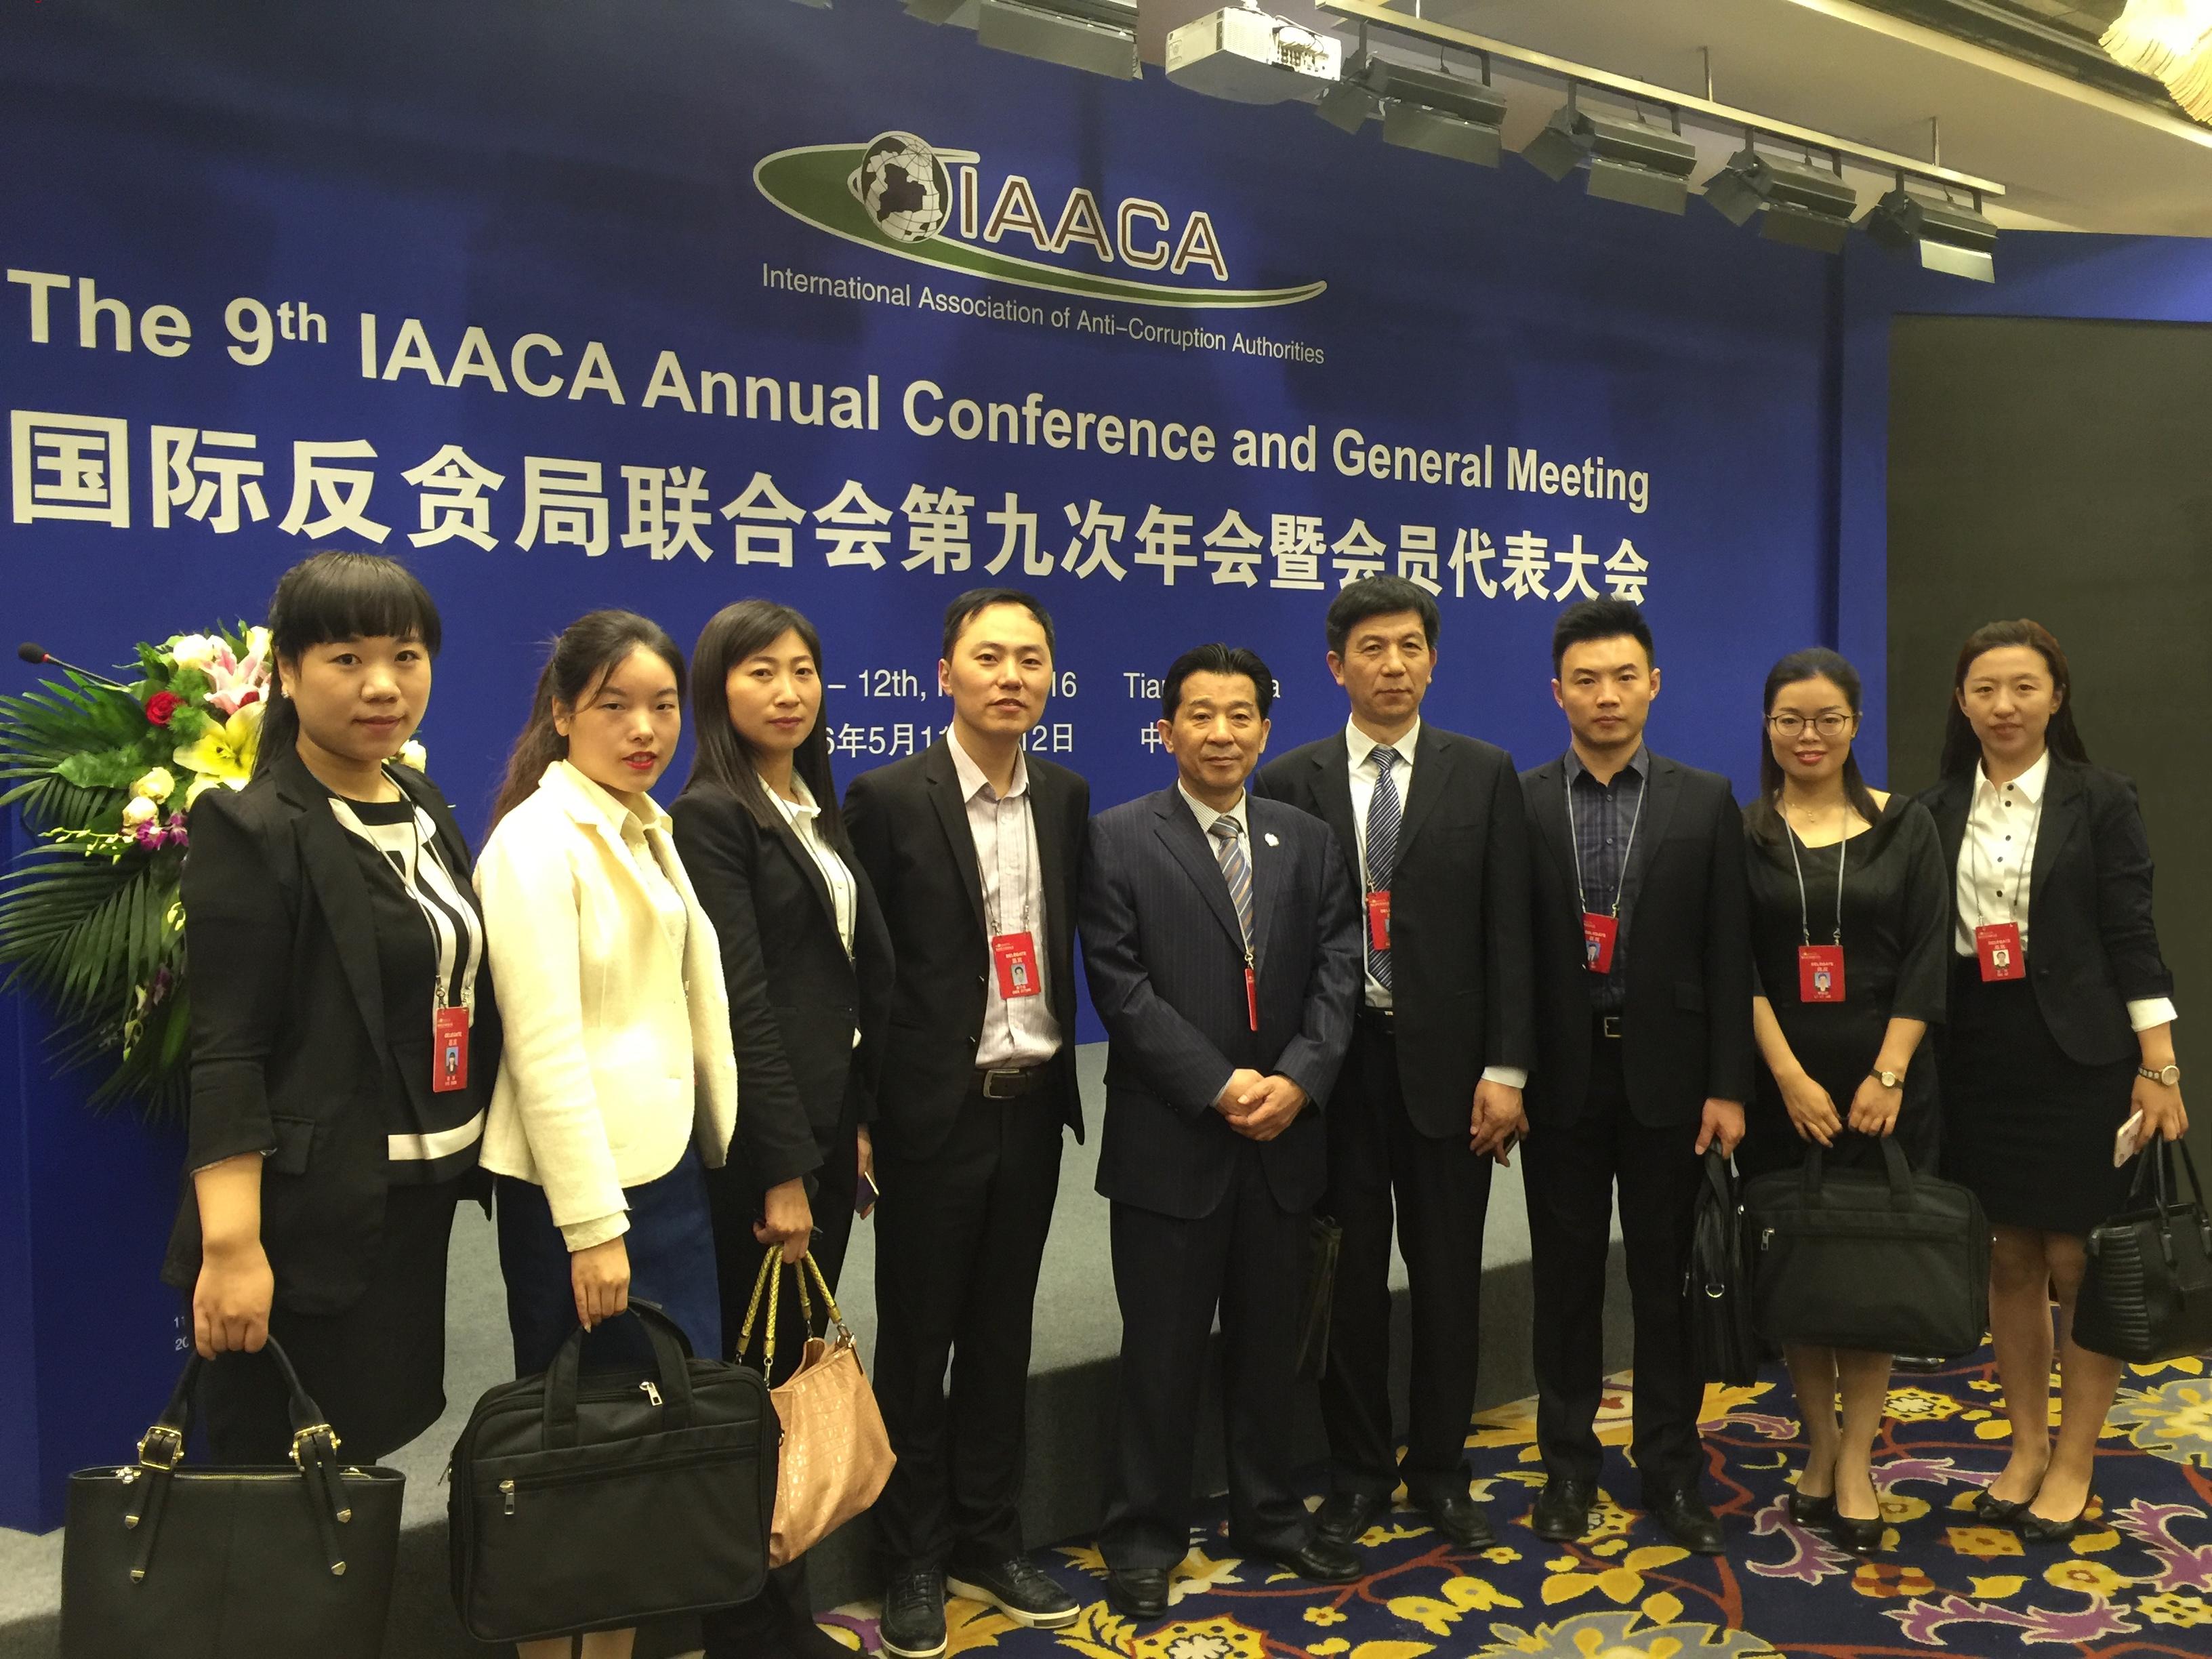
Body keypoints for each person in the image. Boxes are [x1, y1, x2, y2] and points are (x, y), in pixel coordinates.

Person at [166, 550, 501, 1465]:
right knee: (282, 1484)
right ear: (286, 671)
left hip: (413, 1204)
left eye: (406, 656)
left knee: (364, 1452)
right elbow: (228, 1051)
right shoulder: (252, 826)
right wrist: (233, 1248)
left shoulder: (420, 801)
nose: (382, 685)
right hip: (305, 1218)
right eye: (347, 659)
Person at [1080, 643, 1364, 1620]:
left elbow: (1339, 969)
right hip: (1173, 1140)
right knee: (1159, 1353)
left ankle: (1269, 1515)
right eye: (1200, 715)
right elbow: (1119, 984)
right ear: (1166, 730)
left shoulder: (1306, 839)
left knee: (1268, 1345)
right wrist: (1217, 1083)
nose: (1222, 734)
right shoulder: (1119, 837)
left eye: (1241, 716)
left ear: (1265, 729)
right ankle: (1143, 1536)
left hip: (1284, 1138)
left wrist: (1301, 1079)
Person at [474, 610, 736, 1659]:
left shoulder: (642, 823)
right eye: (615, 705)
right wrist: (591, 1226)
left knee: (649, 1447)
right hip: (585, 1195)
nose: (645, 729)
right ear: (561, 711)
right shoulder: (536, 842)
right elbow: (543, 1048)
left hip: (664, 1175)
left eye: (664, 706)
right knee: (578, 1458)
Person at [1252, 576, 1533, 1549]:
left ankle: (1442, 1471)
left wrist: (1508, 1071)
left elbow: (1510, 931)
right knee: (1351, 1279)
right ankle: (1361, 1470)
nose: (1394, 665)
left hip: (1453, 1075)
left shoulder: (1482, 772)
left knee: (1450, 1279)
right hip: (1337, 1074)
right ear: (1337, 667)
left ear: (1433, 661)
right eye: (1372, 649)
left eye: (1411, 646)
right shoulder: (1290, 781)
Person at [843, 588, 1088, 1659]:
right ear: (945, 674)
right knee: (918, 1340)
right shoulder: (889, 797)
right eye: (989, 657)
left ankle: (992, 1537)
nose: (1011, 677)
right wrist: (860, 1115)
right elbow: (860, 968)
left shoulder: (1066, 797)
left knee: (1002, 1335)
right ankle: (912, 1555)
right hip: (929, 1118)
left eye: (1030, 658)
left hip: (1030, 1109)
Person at [1919, 619, 2186, 1544]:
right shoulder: (1932, 808)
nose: (2005, 706)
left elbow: (2133, 935)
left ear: (2056, 697)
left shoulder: (2099, 798)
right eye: (1985, 689)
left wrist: (2158, 1064)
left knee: (2079, 1261)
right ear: (1961, 702)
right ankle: (2027, 1446)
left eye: (2024, 687)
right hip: (1978, 1056)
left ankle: (2076, 1458)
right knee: (2008, 1259)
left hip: (2082, 1057)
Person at [671, 600, 895, 1659]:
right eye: (761, 672)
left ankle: (778, 1609)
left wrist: (853, 1127)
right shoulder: (713, 814)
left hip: (824, 1127)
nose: (789, 691)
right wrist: (781, 1171)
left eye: (803, 670)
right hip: (765, 1152)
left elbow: (840, 985)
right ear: (719, 689)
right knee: (757, 1383)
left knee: (791, 1376)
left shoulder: (811, 803)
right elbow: (743, 1004)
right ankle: (747, 1624)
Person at [1517, 597, 1753, 1555]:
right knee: (1565, 1282)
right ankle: (1569, 1467)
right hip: (1561, 1080)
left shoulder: (1704, 799)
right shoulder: (1523, 800)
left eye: (1624, 677)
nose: (1606, 696)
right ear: (1558, 693)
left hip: (1673, 1080)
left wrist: (1728, 1085)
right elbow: (1508, 954)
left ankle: (1670, 1467)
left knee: (1667, 1282)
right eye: (1586, 680)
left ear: (1654, 685)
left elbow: (1730, 953)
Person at [1737, 648, 1948, 1555]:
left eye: (1827, 719)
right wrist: (1787, 1076)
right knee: (1805, 1269)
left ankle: (1857, 1456)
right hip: (1782, 1087)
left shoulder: (1906, 825)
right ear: (1768, 727)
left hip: (1886, 1088)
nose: (1809, 736)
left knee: (1872, 1275)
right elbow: (1736, 966)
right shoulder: (1746, 833)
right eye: (1790, 719)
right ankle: (1819, 1444)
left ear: (1855, 725)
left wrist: (1888, 1073)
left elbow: (1929, 956)